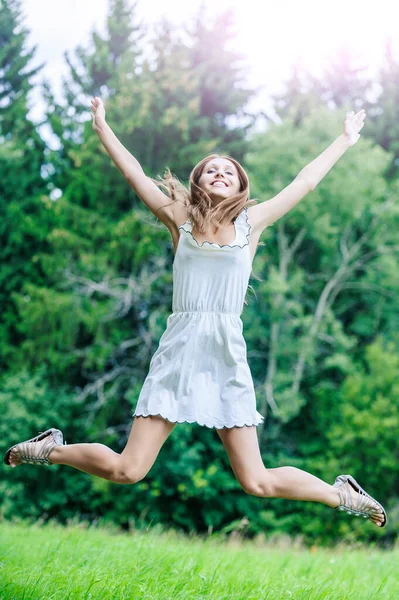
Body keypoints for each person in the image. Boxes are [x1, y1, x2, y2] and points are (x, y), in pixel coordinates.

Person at [4, 98, 386, 528]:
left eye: (229, 170)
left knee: (256, 481)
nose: (220, 173)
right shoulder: (178, 219)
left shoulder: (251, 223)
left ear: (240, 184)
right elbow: (133, 172)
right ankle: (50, 448)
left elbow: (306, 182)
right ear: (199, 182)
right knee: (128, 469)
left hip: (225, 352)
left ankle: (342, 494)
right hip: (181, 348)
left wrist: (344, 140)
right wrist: (102, 127)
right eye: (211, 169)